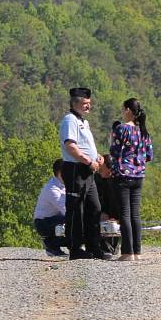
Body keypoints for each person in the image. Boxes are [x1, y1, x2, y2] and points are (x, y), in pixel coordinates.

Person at [59, 87, 109, 260]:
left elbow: (86, 146)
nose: (88, 107)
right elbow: (71, 146)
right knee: (76, 209)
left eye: (89, 103)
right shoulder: (70, 120)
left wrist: (98, 157)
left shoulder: (83, 122)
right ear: (75, 103)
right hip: (76, 169)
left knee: (94, 207)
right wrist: (89, 161)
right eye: (85, 104)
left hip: (88, 170)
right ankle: (75, 248)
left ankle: (93, 246)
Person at [110, 98, 153, 261]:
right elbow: (149, 156)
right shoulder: (144, 131)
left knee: (125, 214)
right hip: (139, 175)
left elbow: (114, 152)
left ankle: (128, 252)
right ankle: (137, 251)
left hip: (122, 174)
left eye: (123, 110)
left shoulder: (121, 129)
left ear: (128, 110)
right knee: (135, 214)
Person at [33, 159, 68, 257]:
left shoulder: (62, 185)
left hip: (54, 219)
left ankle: (54, 244)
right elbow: (67, 211)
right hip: (44, 223)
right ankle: (52, 244)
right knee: (74, 222)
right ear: (61, 173)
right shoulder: (52, 189)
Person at [95, 153, 120, 256]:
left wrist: (117, 218)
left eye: (102, 167)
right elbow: (96, 198)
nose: (99, 168)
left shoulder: (118, 181)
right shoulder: (97, 178)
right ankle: (104, 246)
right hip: (103, 211)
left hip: (116, 212)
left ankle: (114, 245)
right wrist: (101, 213)